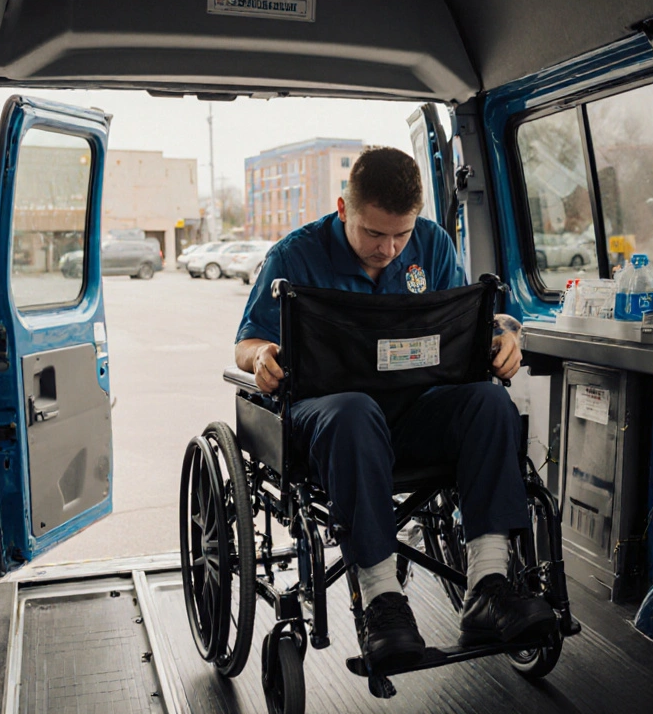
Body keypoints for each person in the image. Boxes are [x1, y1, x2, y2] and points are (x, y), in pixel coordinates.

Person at [235, 147, 556, 671]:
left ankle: (489, 586)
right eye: (374, 234)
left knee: (490, 402)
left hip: (415, 415)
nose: (388, 249)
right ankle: (382, 601)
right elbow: (247, 342)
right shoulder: (294, 256)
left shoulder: (432, 244)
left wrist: (504, 334)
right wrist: (262, 357)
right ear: (344, 209)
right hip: (330, 423)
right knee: (355, 412)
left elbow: (471, 324)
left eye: (400, 235)